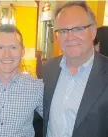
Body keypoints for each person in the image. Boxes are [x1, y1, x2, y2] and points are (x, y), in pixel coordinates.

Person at [42, 2, 108, 137]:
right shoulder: (48, 69)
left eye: (78, 29)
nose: (70, 37)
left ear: (93, 31)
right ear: (56, 37)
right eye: (63, 31)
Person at [0, 24, 44, 137]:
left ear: (22, 51)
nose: (7, 55)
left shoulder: (37, 87)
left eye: (13, 47)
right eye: (0, 47)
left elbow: (56, 122)